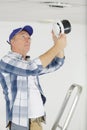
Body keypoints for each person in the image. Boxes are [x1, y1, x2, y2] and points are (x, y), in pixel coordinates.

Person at [0, 25, 67, 130]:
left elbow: (57, 63)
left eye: (29, 38)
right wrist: (57, 47)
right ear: (12, 41)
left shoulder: (27, 62)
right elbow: (32, 68)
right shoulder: (6, 61)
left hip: (37, 120)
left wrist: (57, 43)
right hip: (20, 122)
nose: (28, 40)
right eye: (23, 36)